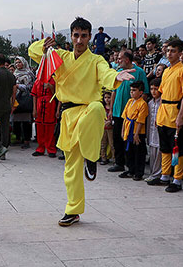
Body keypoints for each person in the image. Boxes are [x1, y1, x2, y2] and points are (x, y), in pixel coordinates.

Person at [28, 17, 135, 226]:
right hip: (68, 114)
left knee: (96, 108)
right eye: (76, 35)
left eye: (84, 36)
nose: (79, 40)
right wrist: (44, 45)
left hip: (88, 110)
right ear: (71, 36)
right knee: (71, 167)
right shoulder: (59, 57)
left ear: (89, 38)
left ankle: (92, 156)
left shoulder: (96, 60)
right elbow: (32, 52)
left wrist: (116, 76)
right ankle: (73, 210)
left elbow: (106, 75)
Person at [147, 40, 183, 192]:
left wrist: (180, 116)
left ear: (179, 54)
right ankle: (165, 175)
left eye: (173, 51)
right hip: (163, 111)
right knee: (164, 147)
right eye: (168, 51)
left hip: (175, 111)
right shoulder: (166, 71)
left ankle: (177, 179)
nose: (169, 53)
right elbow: (161, 92)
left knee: (177, 148)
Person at [107, 51, 149, 173]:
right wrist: (111, 109)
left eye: (120, 58)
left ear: (127, 59)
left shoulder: (139, 72)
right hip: (118, 111)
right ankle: (119, 163)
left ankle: (133, 167)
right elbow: (114, 91)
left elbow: (145, 92)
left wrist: (139, 110)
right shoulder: (118, 73)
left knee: (130, 140)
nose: (117, 60)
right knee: (117, 138)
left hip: (133, 115)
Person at [118, 81, 148, 181]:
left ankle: (139, 172)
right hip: (128, 129)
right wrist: (123, 131)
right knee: (129, 152)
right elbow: (124, 117)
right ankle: (131, 170)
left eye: (134, 90)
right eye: (131, 90)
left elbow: (140, 120)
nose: (132, 92)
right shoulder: (129, 101)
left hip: (137, 131)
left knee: (138, 152)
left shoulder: (143, 104)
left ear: (141, 92)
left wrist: (136, 134)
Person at [31, 76, 59, 158]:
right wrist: (34, 109)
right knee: (39, 128)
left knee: (49, 128)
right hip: (40, 105)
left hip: (50, 104)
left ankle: (51, 149)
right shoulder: (37, 81)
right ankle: (40, 148)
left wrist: (51, 88)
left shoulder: (54, 80)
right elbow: (34, 95)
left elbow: (58, 95)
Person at [13, 56, 35, 149]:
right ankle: (18, 138)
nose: (18, 64)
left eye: (19, 62)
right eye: (16, 63)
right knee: (16, 121)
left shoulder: (28, 73)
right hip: (16, 98)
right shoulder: (15, 73)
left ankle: (26, 140)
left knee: (26, 121)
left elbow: (30, 86)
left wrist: (18, 86)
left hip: (25, 99)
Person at [145, 78, 162, 182]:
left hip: (159, 132)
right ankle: (153, 174)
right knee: (152, 153)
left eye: (156, 89)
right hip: (151, 131)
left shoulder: (163, 102)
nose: (153, 91)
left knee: (159, 154)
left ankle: (158, 175)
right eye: (151, 89)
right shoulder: (150, 103)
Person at [100, 91, 115, 165]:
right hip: (103, 128)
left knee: (112, 144)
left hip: (111, 128)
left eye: (109, 97)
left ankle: (115, 159)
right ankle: (103, 158)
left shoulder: (113, 108)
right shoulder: (102, 108)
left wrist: (110, 122)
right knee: (103, 144)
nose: (107, 99)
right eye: (105, 97)